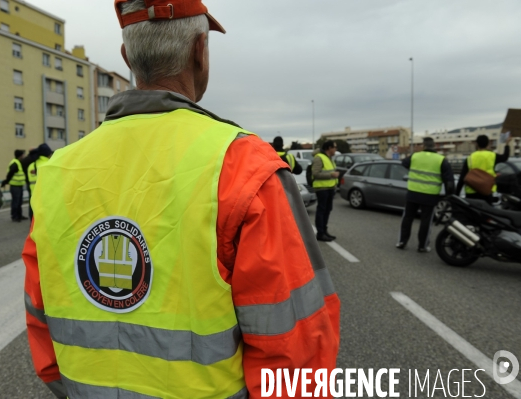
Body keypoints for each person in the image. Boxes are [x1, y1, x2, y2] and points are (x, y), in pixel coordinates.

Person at [22, 1, 339, 397]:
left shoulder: (55, 174)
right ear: (199, 52)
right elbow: (296, 348)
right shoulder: (243, 166)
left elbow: (41, 323)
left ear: (128, 58)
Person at [397, 137, 454, 252]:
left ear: (423, 146)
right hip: (430, 195)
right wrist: (450, 195)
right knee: (426, 221)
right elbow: (449, 181)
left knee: (407, 218)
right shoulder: (441, 160)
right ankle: (422, 246)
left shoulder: (415, 156)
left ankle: (402, 242)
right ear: (434, 146)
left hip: (413, 193)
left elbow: (404, 163)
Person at [456, 134, 512, 203]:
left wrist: (456, 194)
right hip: (486, 190)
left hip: (471, 192)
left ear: (476, 144)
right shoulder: (493, 155)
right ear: (488, 144)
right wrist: (507, 144)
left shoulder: (470, 157)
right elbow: (505, 157)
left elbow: (462, 177)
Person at [312, 140, 340, 242]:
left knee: (327, 210)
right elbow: (315, 173)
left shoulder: (330, 158)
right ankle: (320, 233)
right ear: (329, 148)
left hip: (330, 188)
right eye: (335, 147)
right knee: (322, 210)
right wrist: (331, 175)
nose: (336, 149)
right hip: (322, 188)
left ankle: (324, 231)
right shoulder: (319, 158)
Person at [1, 149, 28, 222]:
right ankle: (15, 216)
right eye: (23, 154)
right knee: (16, 202)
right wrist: (6, 181)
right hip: (15, 186)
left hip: (19, 185)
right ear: (20, 155)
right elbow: (10, 174)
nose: (24, 156)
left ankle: (19, 215)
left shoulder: (18, 162)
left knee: (19, 201)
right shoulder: (15, 163)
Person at [27, 144, 52, 219]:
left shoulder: (32, 165)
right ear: (48, 154)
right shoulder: (49, 164)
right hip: (46, 198)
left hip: (34, 196)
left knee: (34, 221)